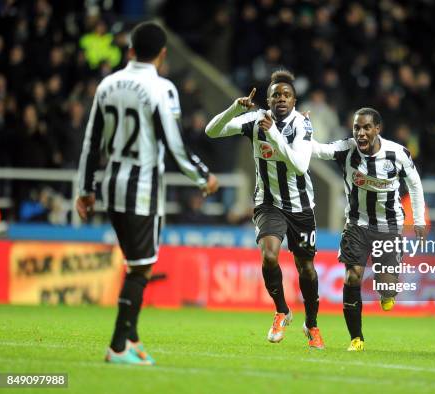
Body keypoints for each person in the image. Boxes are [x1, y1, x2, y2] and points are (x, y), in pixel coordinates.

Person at [76, 22, 218, 365]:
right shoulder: (162, 88)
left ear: (130, 50)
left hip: (111, 184)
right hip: (141, 189)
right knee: (140, 269)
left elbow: (91, 141)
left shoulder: (107, 84)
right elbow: (175, 143)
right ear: (163, 54)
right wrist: (202, 176)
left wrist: (85, 188)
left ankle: (133, 339)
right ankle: (118, 346)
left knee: (134, 264)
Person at [205, 70, 324, 349]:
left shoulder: (302, 126)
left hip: (301, 207)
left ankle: (312, 324)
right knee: (269, 256)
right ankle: (281, 310)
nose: (280, 99)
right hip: (268, 203)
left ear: (294, 100)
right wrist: (235, 107)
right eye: (275, 95)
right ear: (268, 100)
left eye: (286, 95)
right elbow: (211, 131)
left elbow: (299, 165)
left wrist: (272, 134)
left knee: (306, 268)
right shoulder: (255, 120)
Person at [311, 107, 426, 351]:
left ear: (377, 129)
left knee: (387, 287)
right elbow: (319, 150)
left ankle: (388, 292)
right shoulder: (347, 149)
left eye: (366, 128)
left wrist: (419, 220)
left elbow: (414, 184)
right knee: (352, 275)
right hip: (357, 224)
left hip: (389, 226)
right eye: (356, 128)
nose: (360, 133)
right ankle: (356, 338)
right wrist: (303, 131)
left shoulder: (397, 154)